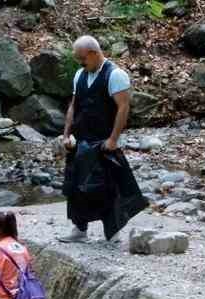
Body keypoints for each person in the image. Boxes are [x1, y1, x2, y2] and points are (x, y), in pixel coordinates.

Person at [58, 36, 147, 243]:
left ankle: (113, 233)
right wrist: (66, 134)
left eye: (82, 59)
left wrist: (113, 139)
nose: (80, 63)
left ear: (93, 53)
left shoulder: (115, 75)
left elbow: (123, 107)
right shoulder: (80, 74)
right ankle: (79, 230)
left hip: (103, 142)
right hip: (80, 141)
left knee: (108, 188)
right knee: (76, 186)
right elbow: (73, 106)